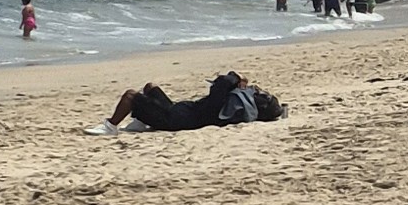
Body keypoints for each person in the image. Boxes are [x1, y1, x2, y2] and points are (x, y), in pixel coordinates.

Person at [103, 72, 280, 131]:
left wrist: (235, 78)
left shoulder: (226, 107)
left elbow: (220, 85)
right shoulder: (233, 106)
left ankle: (110, 126)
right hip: (179, 111)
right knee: (150, 87)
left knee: (130, 96)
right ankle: (141, 121)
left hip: (173, 120)